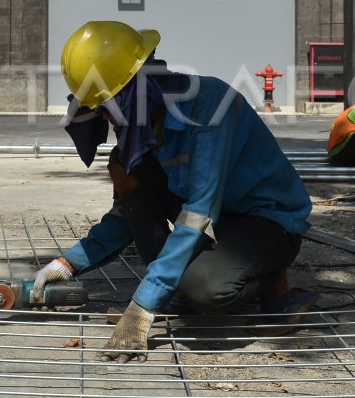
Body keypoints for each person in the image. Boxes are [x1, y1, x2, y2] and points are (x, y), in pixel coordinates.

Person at [32, 20, 318, 363]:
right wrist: (67, 264)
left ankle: (271, 280)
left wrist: (141, 308)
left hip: (265, 221)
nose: (105, 121)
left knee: (207, 290)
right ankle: (174, 286)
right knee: (123, 169)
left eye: (106, 108)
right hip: (214, 223)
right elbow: (128, 213)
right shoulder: (139, 132)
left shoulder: (210, 107)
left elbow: (200, 209)